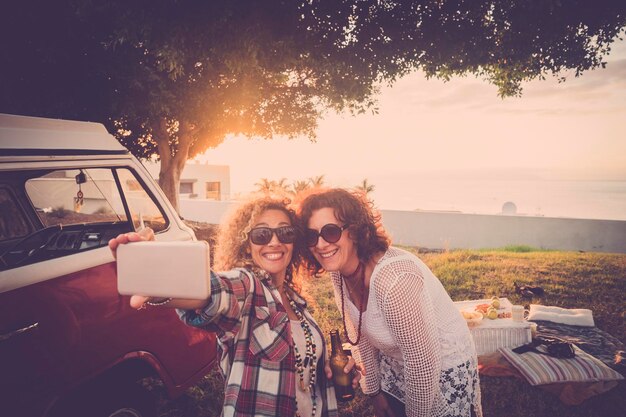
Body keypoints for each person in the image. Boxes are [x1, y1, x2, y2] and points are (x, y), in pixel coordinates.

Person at [109, 195, 361, 417]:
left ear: (294, 242)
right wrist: (157, 273)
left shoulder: (297, 302)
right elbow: (212, 293)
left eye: (285, 233)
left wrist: (324, 367)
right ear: (246, 243)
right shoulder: (248, 287)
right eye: (262, 234)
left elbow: (301, 373)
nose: (274, 242)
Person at [297, 188, 482, 417]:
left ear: (354, 231)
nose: (321, 244)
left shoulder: (394, 280)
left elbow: (422, 367)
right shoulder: (339, 271)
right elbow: (359, 332)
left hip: (440, 368)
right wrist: (374, 393)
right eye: (311, 236)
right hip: (396, 361)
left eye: (331, 232)